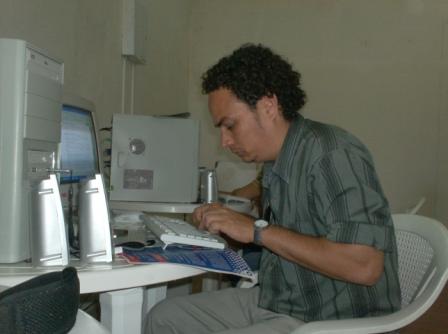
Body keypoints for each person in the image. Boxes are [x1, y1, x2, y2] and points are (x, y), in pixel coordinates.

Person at [146, 43, 401, 334]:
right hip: (282, 299)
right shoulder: (274, 163)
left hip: (334, 318)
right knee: (163, 317)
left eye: (230, 125)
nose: (224, 142)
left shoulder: (332, 153)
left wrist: (256, 230)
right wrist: (228, 231)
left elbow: (364, 266)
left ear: (268, 107)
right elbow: (286, 240)